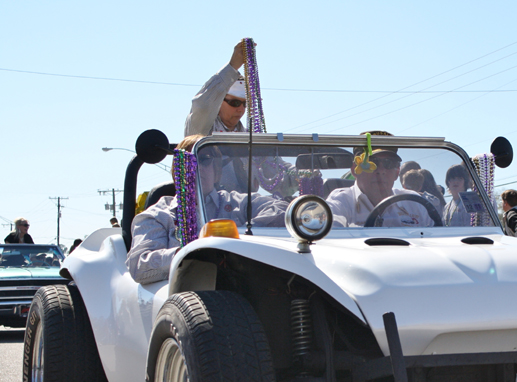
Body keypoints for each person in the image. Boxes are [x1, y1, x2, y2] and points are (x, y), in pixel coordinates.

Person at [126, 135, 287, 284]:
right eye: (187, 161)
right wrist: (191, 253)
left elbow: (282, 210)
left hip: (243, 288)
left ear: (216, 170)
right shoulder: (158, 215)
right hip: (186, 295)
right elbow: (139, 265)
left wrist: (241, 235)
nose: (196, 167)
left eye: (204, 159)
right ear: (177, 171)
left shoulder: (237, 202)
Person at [184, 42, 259, 194]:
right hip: (206, 205)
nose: (241, 109)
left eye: (245, 104)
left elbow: (274, 168)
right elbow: (203, 105)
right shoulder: (202, 131)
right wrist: (233, 66)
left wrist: (304, 172)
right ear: (219, 101)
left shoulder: (251, 139)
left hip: (246, 207)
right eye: (234, 103)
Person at [326, 131, 433, 228]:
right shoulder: (341, 202)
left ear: (397, 172)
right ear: (355, 170)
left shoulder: (414, 203)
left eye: (389, 163)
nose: (381, 170)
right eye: (372, 163)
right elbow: (331, 235)